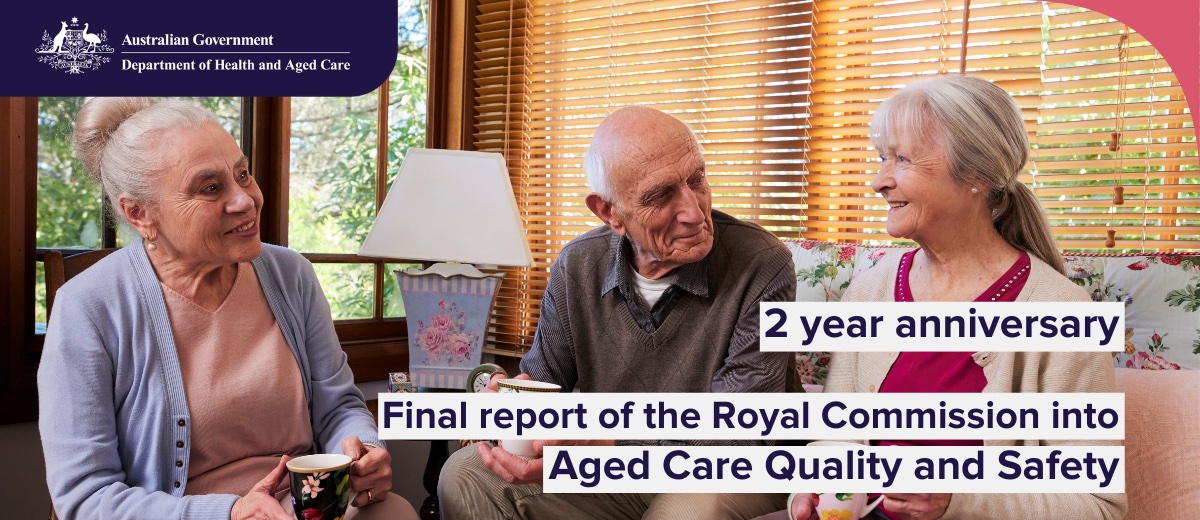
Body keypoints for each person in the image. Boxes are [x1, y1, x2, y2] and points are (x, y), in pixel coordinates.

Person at [38, 98, 418, 520]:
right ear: (139, 212)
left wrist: (362, 447)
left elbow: (338, 407)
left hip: (303, 508)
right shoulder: (87, 307)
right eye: (211, 187)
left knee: (394, 511)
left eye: (242, 174)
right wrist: (231, 512)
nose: (246, 200)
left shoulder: (291, 275)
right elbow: (85, 497)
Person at [785, 75, 1127, 519]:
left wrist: (957, 500)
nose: (879, 181)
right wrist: (812, 491)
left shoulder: (1063, 313)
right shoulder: (869, 292)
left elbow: (1098, 507)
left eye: (902, 159)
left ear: (978, 176)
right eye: (881, 158)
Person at [438, 106, 798, 519]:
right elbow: (540, 384)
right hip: (610, 471)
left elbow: (741, 429)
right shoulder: (578, 265)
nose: (695, 213)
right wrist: (507, 404)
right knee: (463, 476)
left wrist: (613, 447)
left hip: (726, 471)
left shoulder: (763, 263)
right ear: (609, 212)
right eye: (661, 195)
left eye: (697, 179)